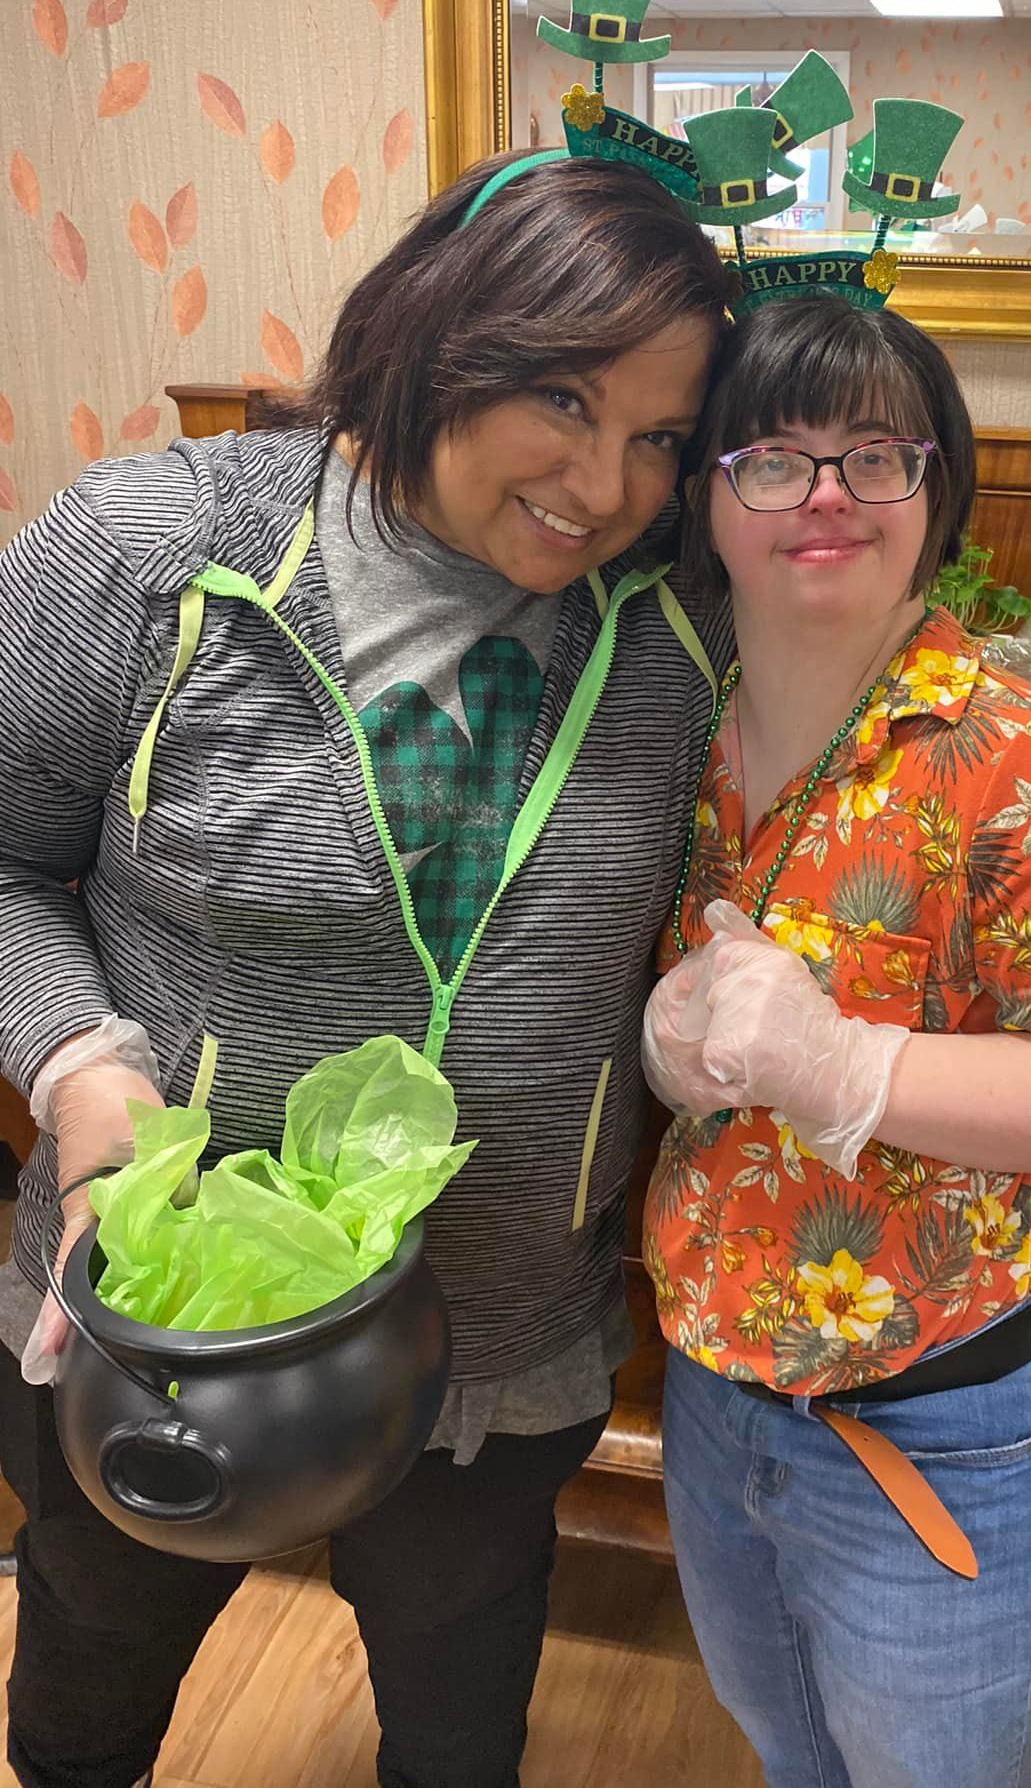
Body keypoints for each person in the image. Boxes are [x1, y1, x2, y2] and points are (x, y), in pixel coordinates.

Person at [0, 148, 732, 1788]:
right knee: (84, 1702)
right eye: (560, 399)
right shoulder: (153, 555)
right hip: (154, 1322)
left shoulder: (684, 622)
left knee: (459, 1730)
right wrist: (81, 1071)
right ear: (431, 338)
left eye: (660, 439)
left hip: (493, 1336)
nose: (603, 485)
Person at [642, 292, 1031, 1788]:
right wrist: (674, 1049)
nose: (825, 493)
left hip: (958, 1413)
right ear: (704, 495)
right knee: (791, 1757)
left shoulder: (1026, 765)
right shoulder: (680, 737)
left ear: (934, 490)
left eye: (873, 454)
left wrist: (850, 1070)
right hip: (722, 1390)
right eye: (771, 456)